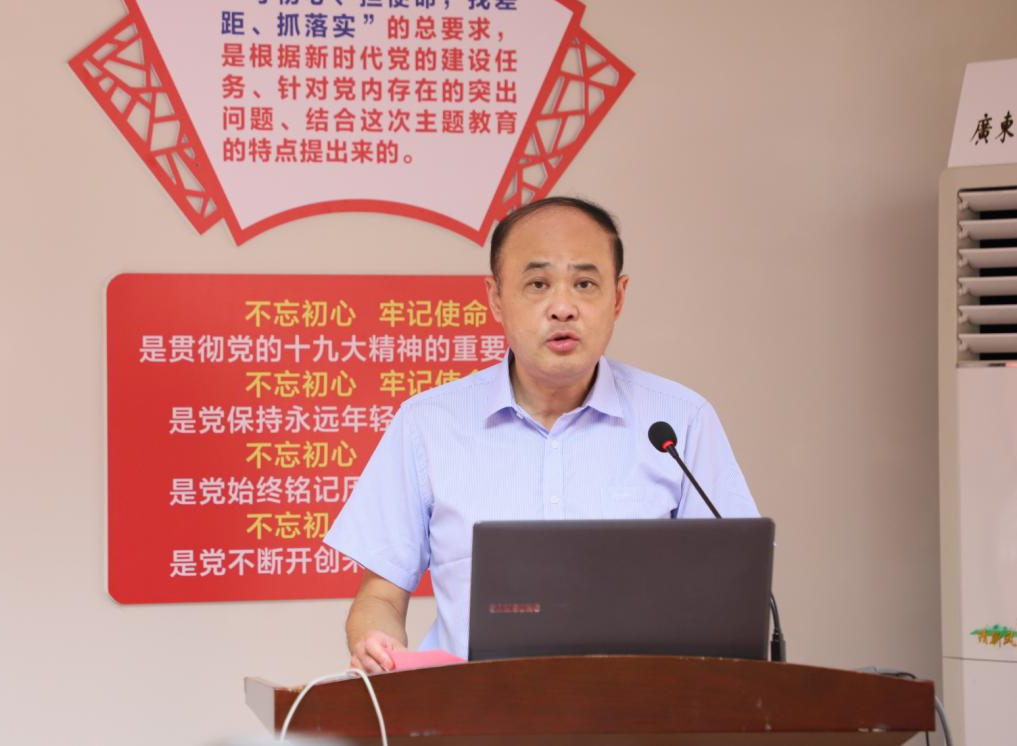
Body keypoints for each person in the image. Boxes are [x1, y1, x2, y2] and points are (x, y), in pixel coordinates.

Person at [322, 196, 758, 672]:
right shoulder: (427, 424)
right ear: (496, 297)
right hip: (470, 706)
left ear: (618, 297)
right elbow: (380, 596)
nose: (563, 308)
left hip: (637, 705)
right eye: (538, 284)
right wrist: (377, 644)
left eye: (585, 284)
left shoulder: (680, 422)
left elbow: (728, 594)